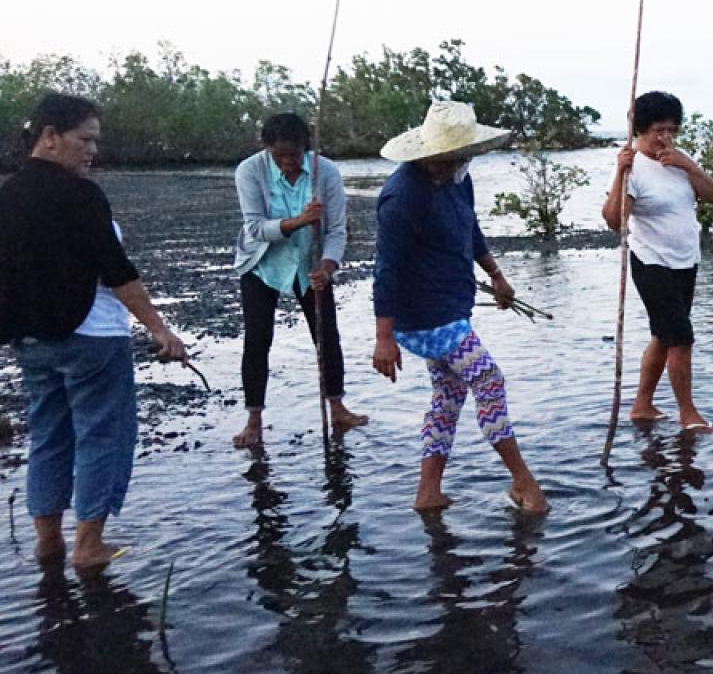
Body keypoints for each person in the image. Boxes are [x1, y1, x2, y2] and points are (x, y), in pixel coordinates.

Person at [0, 93, 191, 569]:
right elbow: (117, 271)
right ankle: (89, 545)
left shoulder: (6, 196)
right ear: (50, 137)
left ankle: (49, 542)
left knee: (49, 436)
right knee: (104, 435)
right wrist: (160, 330)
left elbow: (10, 273)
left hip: (30, 337)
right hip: (91, 337)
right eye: (85, 140)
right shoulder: (80, 195)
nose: (92, 151)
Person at [371, 101, 547, 514]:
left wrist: (496, 276)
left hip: (452, 305)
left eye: (459, 158)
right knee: (488, 380)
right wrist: (383, 338)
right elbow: (386, 270)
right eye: (446, 159)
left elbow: (470, 228)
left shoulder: (457, 179)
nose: (453, 166)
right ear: (427, 154)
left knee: (449, 396)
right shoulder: (400, 198)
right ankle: (524, 483)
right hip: (423, 316)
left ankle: (428, 492)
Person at [230, 112, 364, 448]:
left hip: (310, 261)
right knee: (258, 339)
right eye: (281, 156)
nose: (289, 162)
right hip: (262, 263)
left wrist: (328, 266)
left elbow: (335, 229)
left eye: (295, 154)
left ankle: (337, 407)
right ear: (268, 150)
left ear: (306, 148)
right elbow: (256, 228)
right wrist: (300, 220)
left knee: (326, 336)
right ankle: (254, 420)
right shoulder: (250, 171)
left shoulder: (326, 171)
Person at [602, 90, 713, 433]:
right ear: (641, 129)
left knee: (663, 335)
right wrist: (618, 174)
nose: (666, 137)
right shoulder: (632, 166)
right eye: (659, 130)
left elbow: (711, 194)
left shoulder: (677, 160)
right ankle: (688, 414)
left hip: (686, 260)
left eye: (672, 129)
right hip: (651, 261)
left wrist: (687, 163)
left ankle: (642, 405)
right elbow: (614, 220)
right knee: (681, 337)